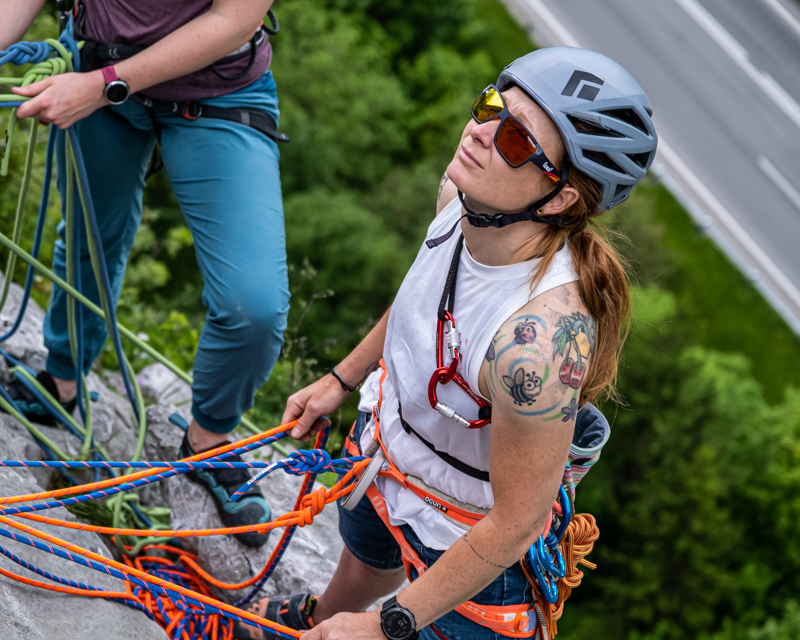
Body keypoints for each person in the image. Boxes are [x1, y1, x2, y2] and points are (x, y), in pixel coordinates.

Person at [233, 47, 658, 639]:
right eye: (490, 106)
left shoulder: (536, 346)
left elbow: (516, 522)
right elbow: (422, 303)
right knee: (365, 557)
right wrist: (341, 379)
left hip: (473, 534)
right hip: (390, 452)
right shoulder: (459, 201)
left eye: (515, 141)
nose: (482, 133)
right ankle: (328, 613)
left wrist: (385, 627)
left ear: (559, 198)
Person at [0, 0, 289, 547]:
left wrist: (103, 85)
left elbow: (233, 18)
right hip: (94, 64)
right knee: (89, 239)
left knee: (254, 306)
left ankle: (208, 441)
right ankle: (61, 378)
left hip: (216, 93)